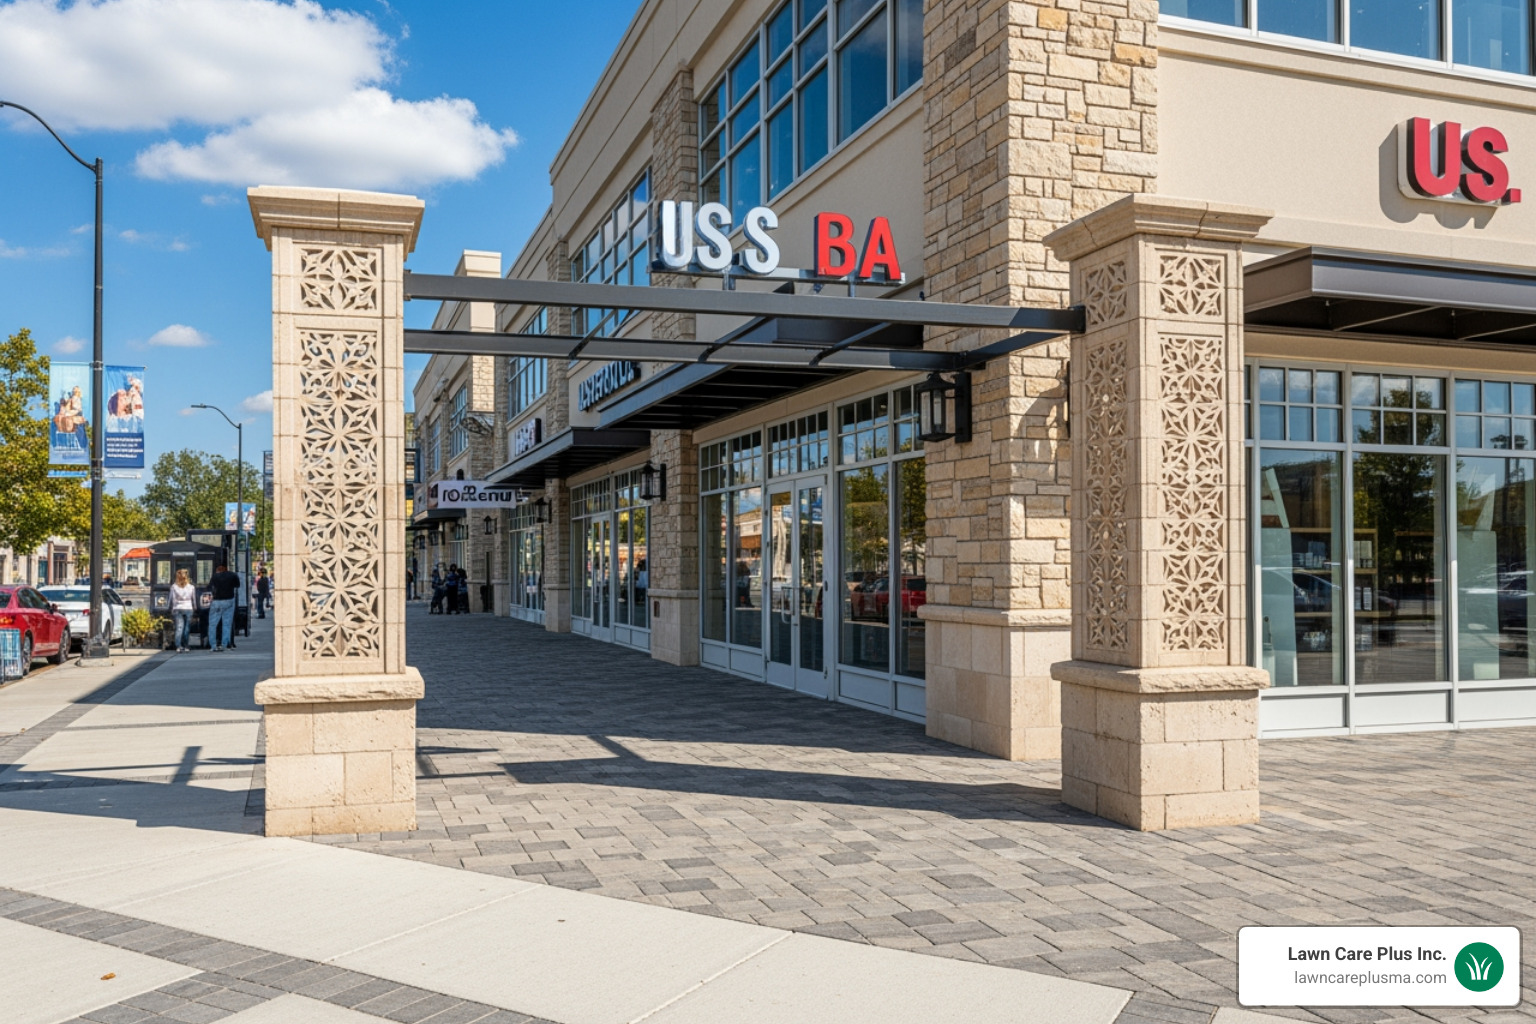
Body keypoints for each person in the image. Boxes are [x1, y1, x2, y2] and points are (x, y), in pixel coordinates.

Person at [207, 562, 241, 652]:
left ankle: (213, 645)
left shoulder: (215, 576)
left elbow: (210, 587)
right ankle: (224, 644)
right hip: (229, 600)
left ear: (218, 569)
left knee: (212, 624)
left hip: (217, 602)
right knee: (227, 624)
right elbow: (237, 585)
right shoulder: (233, 575)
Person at [170, 569, 196, 653]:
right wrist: (194, 607)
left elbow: (172, 599)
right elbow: (193, 599)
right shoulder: (191, 587)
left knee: (179, 627)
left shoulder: (174, 586)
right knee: (187, 628)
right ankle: (186, 646)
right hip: (188, 607)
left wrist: (172, 608)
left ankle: (178, 646)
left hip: (178, 608)